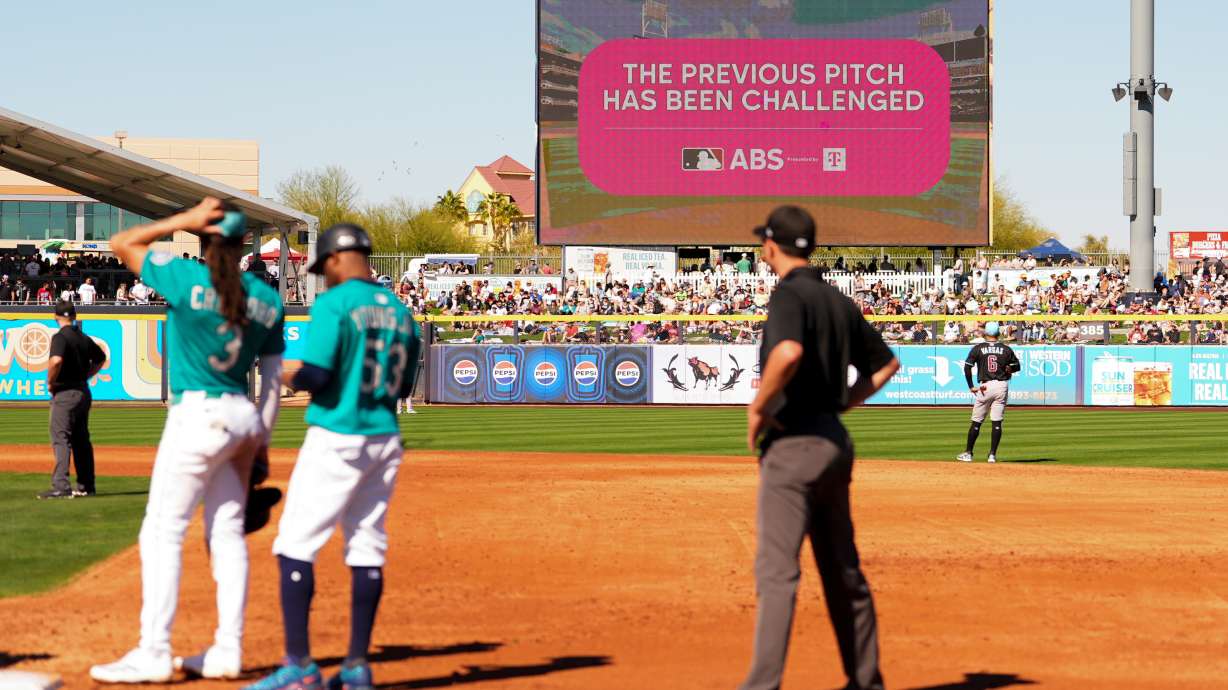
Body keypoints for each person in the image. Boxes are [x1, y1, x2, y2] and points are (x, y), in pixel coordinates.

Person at [89, 198, 285, 683]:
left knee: (163, 531)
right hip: (242, 417)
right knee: (227, 533)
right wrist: (261, 443)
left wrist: (183, 219)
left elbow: (121, 242)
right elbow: (273, 383)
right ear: (243, 242)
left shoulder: (184, 277)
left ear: (203, 237)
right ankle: (228, 650)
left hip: (197, 414)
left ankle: (154, 651)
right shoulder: (268, 300)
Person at [245, 223, 419, 690]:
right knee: (367, 546)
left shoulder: (334, 304)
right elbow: (403, 385)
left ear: (340, 258)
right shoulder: (401, 312)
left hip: (338, 436)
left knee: (295, 544)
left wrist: (288, 376)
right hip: (384, 437)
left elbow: (319, 376)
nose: (325, 274)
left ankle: (299, 667)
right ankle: (357, 666)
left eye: (325, 266)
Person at [741, 206, 899, 690]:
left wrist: (758, 408)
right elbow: (887, 365)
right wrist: (843, 403)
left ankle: (762, 685)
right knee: (842, 570)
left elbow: (788, 352)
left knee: (777, 573)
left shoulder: (789, 294)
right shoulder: (837, 299)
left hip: (794, 443)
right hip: (833, 441)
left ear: (771, 245)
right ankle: (866, 681)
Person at [39, 300, 107, 500]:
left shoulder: (60, 337)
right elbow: (101, 358)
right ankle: (86, 485)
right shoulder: (82, 337)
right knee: (81, 440)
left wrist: (50, 381)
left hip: (65, 393)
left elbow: (56, 361)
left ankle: (61, 485)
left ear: (55, 317)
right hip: (82, 392)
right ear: (75, 316)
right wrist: (86, 375)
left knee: (61, 437)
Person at [957, 322, 1020, 464]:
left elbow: (967, 367)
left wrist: (971, 386)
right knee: (997, 421)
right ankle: (992, 455)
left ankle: (968, 453)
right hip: (1001, 386)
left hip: (985, 386)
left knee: (977, 421)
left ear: (985, 333)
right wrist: (1010, 369)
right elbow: (1017, 366)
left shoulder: (978, 348)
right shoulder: (1006, 348)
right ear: (998, 333)